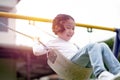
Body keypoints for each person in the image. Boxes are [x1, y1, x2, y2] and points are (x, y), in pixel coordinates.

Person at [33, 14, 120, 80]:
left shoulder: (72, 44)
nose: (71, 31)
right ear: (57, 28)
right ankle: (101, 73)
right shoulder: (52, 42)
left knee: (102, 45)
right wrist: (36, 42)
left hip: (82, 65)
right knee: (92, 46)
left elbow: (86, 52)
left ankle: (117, 71)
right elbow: (37, 51)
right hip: (70, 65)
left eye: (73, 29)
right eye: (68, 28)